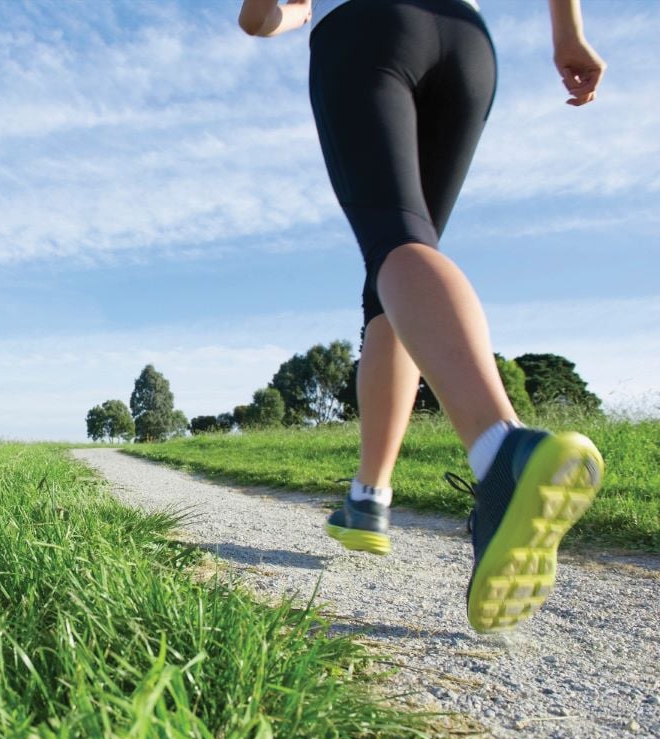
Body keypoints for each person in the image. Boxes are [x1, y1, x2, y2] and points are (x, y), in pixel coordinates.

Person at [238, 0, 607, 633]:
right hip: (467, 43)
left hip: (370, 29)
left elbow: (262, 14)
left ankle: (503, 450)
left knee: (397, 243)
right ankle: (369, 496)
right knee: (396, 272)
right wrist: (568, 34)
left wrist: (281, 17)